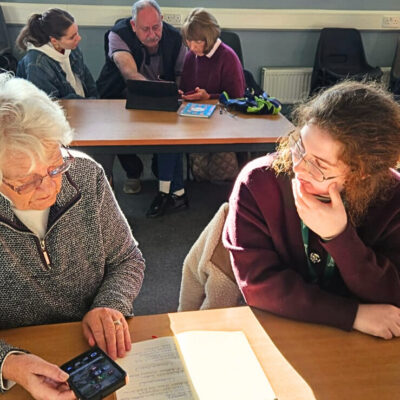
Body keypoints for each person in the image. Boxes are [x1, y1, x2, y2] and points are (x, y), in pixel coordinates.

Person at [0, 74, 145, 399]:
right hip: (17, 359)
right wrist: (7, 363)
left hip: (95, 350)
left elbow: (127, 258)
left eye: (54, 166)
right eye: (27, 181)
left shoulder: (85, 174)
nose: (51, 187)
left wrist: (110, 304)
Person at [223, 81, 400, 339]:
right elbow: (258, 285)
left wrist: (339, 238)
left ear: (361, 174)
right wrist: (352, 314)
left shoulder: (392, 197)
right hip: (277, 330)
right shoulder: (258, 183)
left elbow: (393, 292)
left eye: (319, 165)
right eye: (300, 146)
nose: (299, 167)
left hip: (361, 346)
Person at [96, 0, 187, 198]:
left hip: (164, 94)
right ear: (133, 25)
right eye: (145, 29)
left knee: (168, 131)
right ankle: (132, 171)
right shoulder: (118, 34)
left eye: (156, 27)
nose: (152, 34)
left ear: (162, 20)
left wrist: (178, 93)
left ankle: (160, 168)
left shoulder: (175, 37)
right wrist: (159, 92)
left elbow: (181, 73)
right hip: (121, 92)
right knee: (118, 128)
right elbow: (129, 72)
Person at [168, 8, 246, 191]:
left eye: (197, 41)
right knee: (198, 168)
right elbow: (186, 86)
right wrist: (183, 94)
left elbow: (237, 97)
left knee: (220, 170)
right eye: (189, 41)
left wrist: (209, 96)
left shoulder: (227, 57)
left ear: (209, 38)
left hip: (223, 121)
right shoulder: (191, 56)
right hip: (197, 120)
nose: (192, 46)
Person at [16, 8, 97, 99]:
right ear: (54, 41)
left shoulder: (71, 47)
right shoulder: (37, 64)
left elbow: (89, 83)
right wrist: (87, 105)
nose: (79, 38)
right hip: (60, 110)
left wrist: (94, 102)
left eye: (77, 32)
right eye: (72, 37)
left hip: (82, 105)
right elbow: (50, 105)